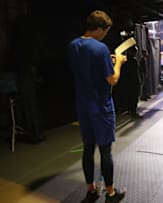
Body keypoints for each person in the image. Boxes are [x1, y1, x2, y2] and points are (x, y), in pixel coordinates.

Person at [68, 10, 126, 203]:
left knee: (87, 149)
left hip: (83, 106)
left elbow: (86, 68)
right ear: (101, 28)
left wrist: (105, 63)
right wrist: (118, 64)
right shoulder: (100, 48)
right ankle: (110, 193)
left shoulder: (73, 45)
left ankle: (91, 190)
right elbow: (112, 80)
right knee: (105, 151)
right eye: (106, 31)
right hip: (101, 107)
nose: (105, 35)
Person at [117, 45, 143, 119]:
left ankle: (130, 110)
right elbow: (135, 73)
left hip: (128, 82)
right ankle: (133, 111)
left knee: (129, 97)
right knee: (133, 97)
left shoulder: (125, 61)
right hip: (133, 82)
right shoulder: (132, 61)